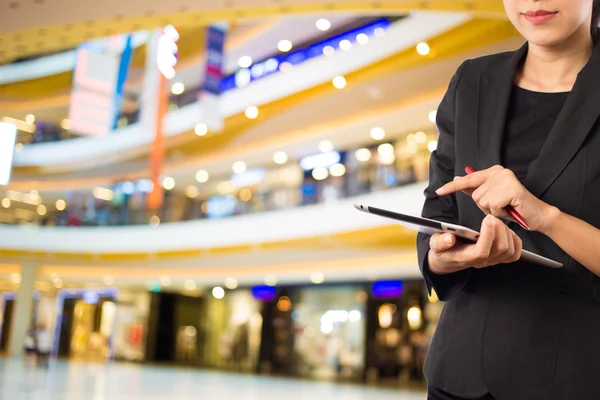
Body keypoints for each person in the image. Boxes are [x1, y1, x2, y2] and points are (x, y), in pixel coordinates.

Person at [417, 1, 600, 399]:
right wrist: (443, 256)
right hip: (460, 374)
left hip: (574, 377)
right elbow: (437, 209)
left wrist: (547, 216)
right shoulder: (471, 80)